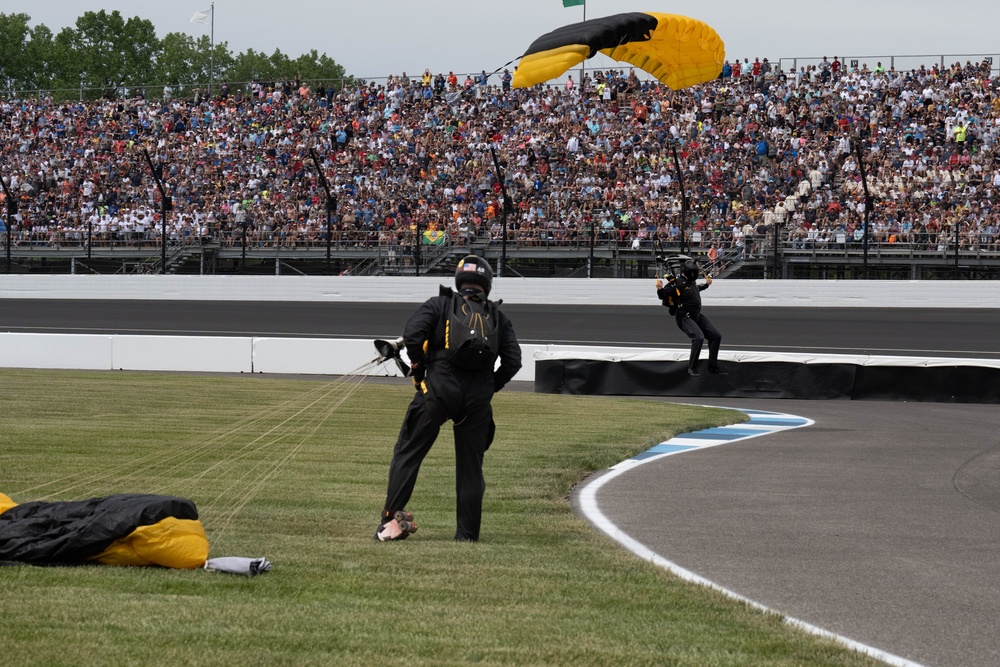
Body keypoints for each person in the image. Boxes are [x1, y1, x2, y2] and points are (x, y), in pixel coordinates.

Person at [376, 256, 521, 542]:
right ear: (487, 284)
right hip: (477, 398)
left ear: (458, 280)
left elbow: (412, 335)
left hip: (438, 390)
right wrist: (491, 387)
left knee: (408, 453)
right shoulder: (498, 317)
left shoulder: (439, 304)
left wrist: (418, 367)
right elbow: (513, 361)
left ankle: (390, 521)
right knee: (470, 469)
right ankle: (467, 535)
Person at [657, 259, 725, 377]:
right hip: (684, 316)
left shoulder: (691, 283)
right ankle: (692, 368)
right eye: (693, 272)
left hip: (696, 315)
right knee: (698, 338)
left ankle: (712, 367)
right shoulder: (676, 283)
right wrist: (659, 289)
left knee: (716, 336)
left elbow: (696, 289)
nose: (694, 275)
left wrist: (706, 285)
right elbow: (663, 295)